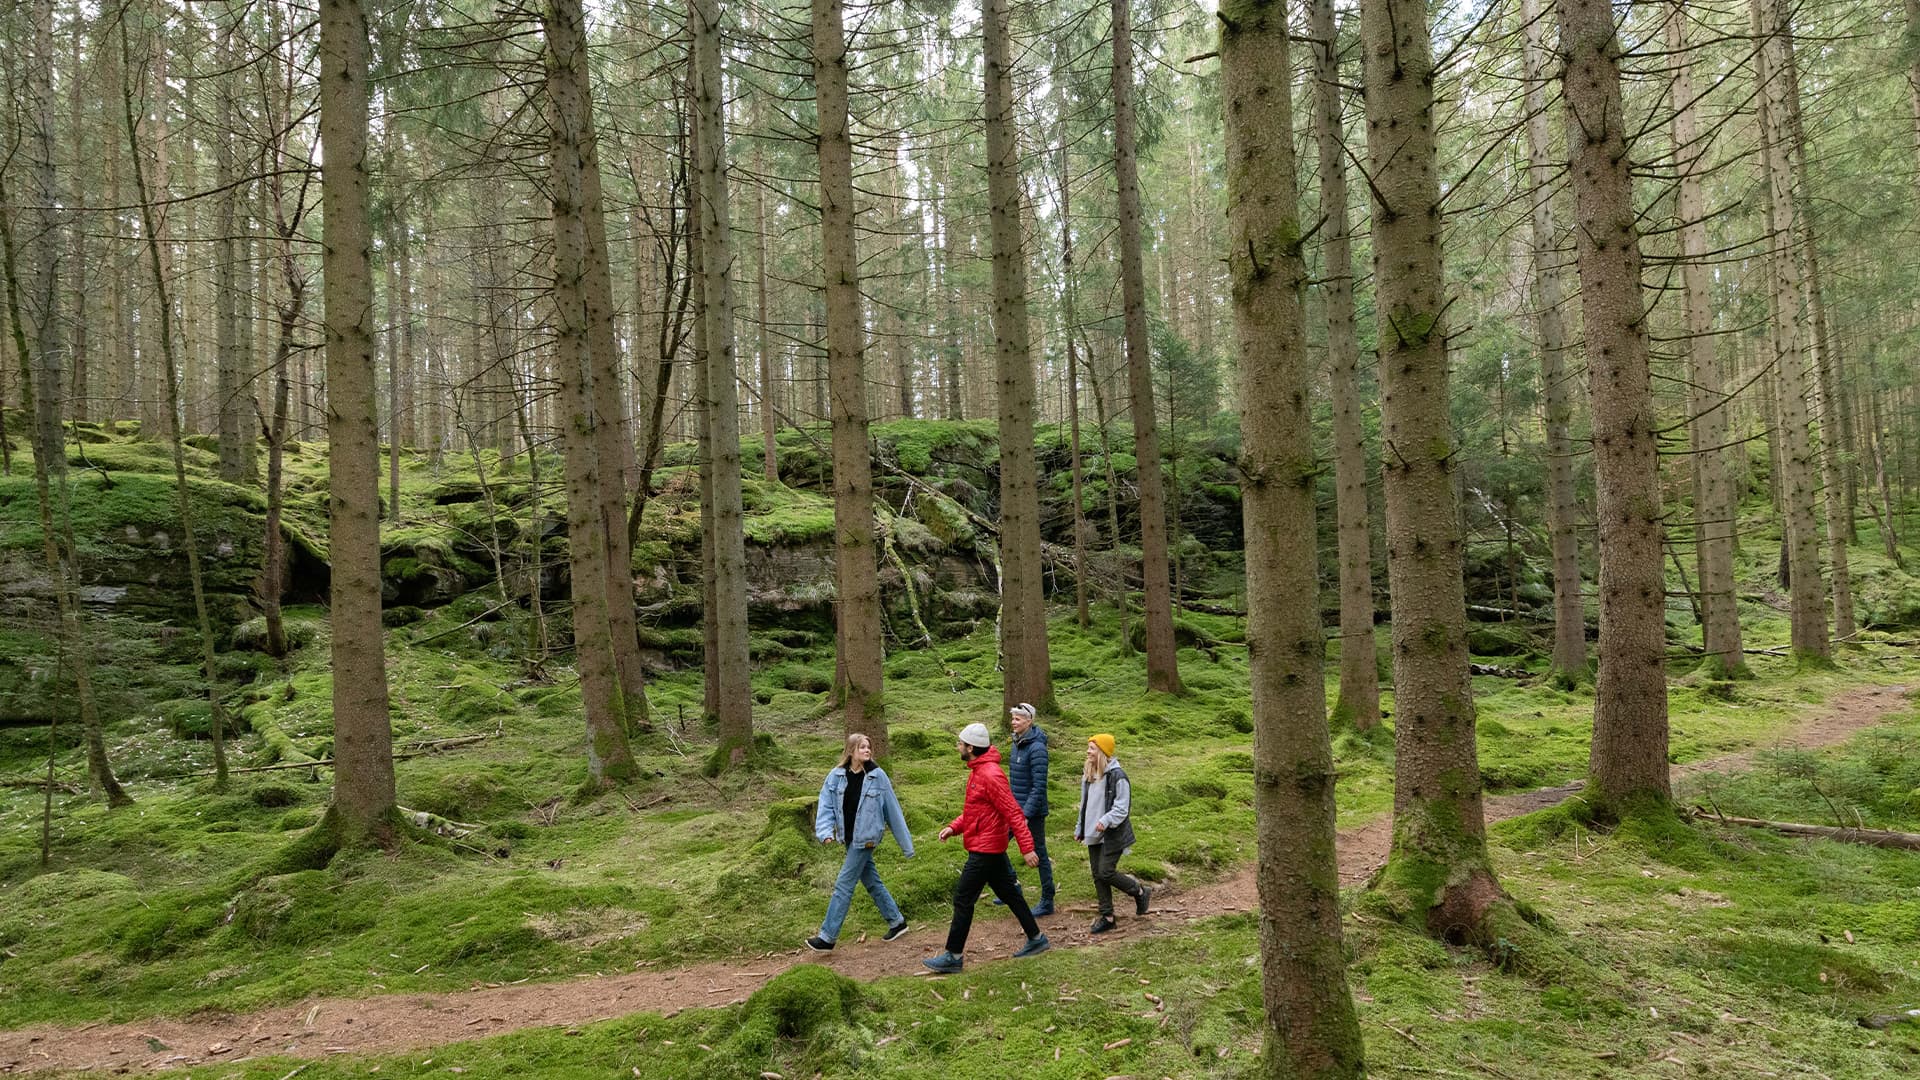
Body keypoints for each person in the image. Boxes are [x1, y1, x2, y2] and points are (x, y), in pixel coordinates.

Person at [921, 722, 1051, 974]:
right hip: (988, 846)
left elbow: (1013, 812)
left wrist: (1027, 847)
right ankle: (1036, 939)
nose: (958, 746)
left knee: (963, 899)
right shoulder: (978, 771)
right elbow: (976, 811)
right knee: (1011, 894)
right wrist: (954, 827)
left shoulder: (990, 774)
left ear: (971, 747)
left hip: (986, 849)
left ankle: (954, 956)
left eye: (960, 743)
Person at [807, 733, 912, 951]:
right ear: (851, 750)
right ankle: (897, 921)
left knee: (843, 885)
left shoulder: (877, 776)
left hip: (866, 839)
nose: (867, 750)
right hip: (848, 837)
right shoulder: (836, 776)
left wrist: (906, 846)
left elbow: (892, 809)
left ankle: (828, 937)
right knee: (871, 881)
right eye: (862, 747)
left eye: (869, 747)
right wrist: (826, 832)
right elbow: (825, 805)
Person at [1074, 733, 1150, 934]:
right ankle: (1107, 917)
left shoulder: (1118, 776)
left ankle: (1140, 891)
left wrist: (1105, 820)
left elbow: (1122, 808)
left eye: (1091, 748)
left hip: (1112, 833)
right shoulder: (1089, 774)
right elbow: (1084, 804)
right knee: (1097, 875)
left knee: (1106, 871)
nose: (1088, 752)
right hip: (1093, 833)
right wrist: (1080, 828)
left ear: (1102, 751)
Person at [998, 702, 1055, 916]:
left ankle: (1047, 899)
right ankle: (1012, 886)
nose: (1013, 722)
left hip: (1033, 812)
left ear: (1029, 721)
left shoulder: (1037, 748)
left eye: (1018, 719)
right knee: (998, 843)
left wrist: (1026, 814)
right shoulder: (1017, 743)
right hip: (1015, 810)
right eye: (1012, 718)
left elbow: (1039, 786)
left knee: (1039, 852)